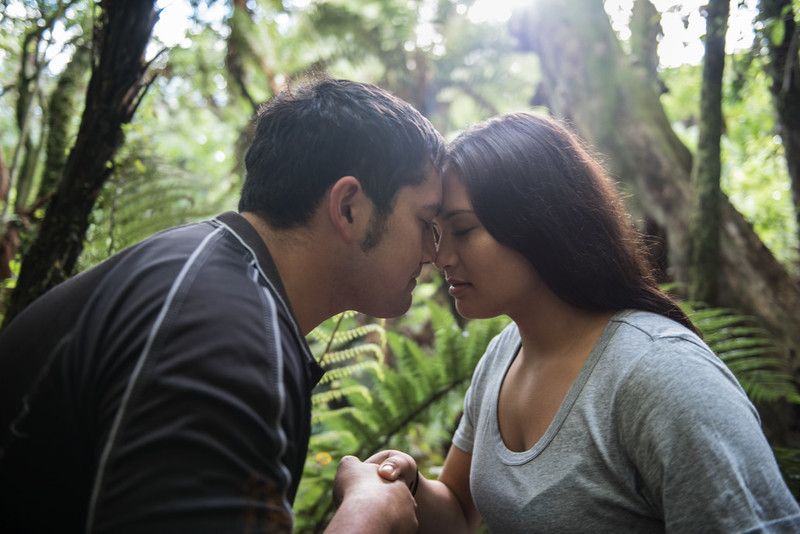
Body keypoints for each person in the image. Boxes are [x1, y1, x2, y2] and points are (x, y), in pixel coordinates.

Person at [0, 78, 444, 533]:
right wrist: (368, 517)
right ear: (350, 207)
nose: (435, 252)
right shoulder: (221, 336)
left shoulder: (210, 283)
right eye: (425, 221)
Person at [359, 112, 800, 532]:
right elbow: (457, 513)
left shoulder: (660, 373)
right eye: (437, 232)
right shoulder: (503, 355)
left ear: (540, 222)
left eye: (465, 230)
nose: (440, 257)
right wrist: (412, 482)